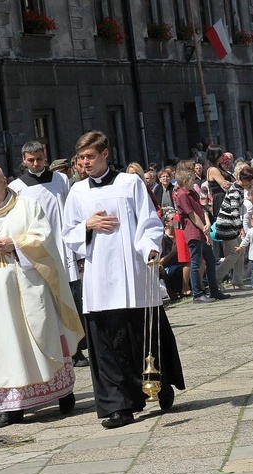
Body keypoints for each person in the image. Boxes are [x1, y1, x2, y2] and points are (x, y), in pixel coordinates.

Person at [63, 131, 185, 429]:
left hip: (132, 273)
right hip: (99, 278)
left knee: (144, 336)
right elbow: (68, 234)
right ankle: (119, 405)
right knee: (107, 345)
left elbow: (148, 221)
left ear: (106, 153)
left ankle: (160, 382)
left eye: (90, 156)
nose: (84, 163)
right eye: (81, 158)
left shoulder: (129, 183)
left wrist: (152, 247)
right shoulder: (77, 191)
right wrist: (87, 227)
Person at [0, 165, 83, 428]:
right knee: (1, 348)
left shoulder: (27, 206)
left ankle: (63, 394)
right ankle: (11, 409)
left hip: (29, 288)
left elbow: (44, 238)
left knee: (42, 335)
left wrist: (17, 244)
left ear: (5, 182)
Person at [9, 141, 86, 367]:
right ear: (23, 160)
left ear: (45, 157)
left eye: (39, 159)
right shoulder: (17, 187)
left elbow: (71, 212)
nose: (35, 163)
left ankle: (76, 349)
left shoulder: (60, 180)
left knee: (70, 299)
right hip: (38, 251)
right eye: (30, 160)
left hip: (63, 247)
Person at [174, 161, 229, 303]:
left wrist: (207, 224)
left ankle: (214, 290)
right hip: (193, 231)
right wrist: (202, 228)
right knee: (196, 262)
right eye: (192, 179)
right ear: (185, 181)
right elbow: (192, 215)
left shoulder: (192, 192)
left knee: (210, 260)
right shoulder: (182, 195)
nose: (194, 181)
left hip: (201, 230)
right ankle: (197, 294)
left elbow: (201, 209)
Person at [213, 163, 253, 288]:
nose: (251, 183)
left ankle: (237, 280)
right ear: (244, 179)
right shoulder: (236, 191)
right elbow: (234, 210)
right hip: (227, 225)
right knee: (235, 253)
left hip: (232, 224)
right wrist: (240, 227)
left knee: (240, 251)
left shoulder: (239, 189)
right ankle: (216, 277)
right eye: (249, 180)